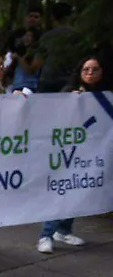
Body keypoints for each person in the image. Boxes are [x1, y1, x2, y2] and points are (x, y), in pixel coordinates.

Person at [39, 56, 106, 253]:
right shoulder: (70, 92)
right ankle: (46, 235)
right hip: (69, 153)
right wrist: (70, 102)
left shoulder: (104, 96)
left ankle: (64, 230)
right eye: (86, 69)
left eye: (95, 69)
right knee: (63, 193)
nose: (90, 73)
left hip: (91, 153)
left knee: (78, 192)